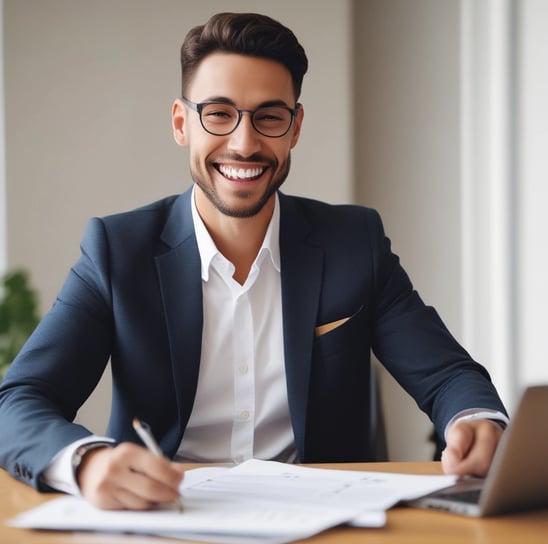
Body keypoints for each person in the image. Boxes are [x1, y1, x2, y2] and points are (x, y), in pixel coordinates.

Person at [0, 12, 508, 511]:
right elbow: (17, 402)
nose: (244, 143)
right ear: (182, 123)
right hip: (165, 521)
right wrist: (87, 462)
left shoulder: (355, 242)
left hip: (324, 523)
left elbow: (447, 377)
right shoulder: (117, 250)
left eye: (269, 116)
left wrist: (473, 419)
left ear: (295, 127)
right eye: (218, 114)